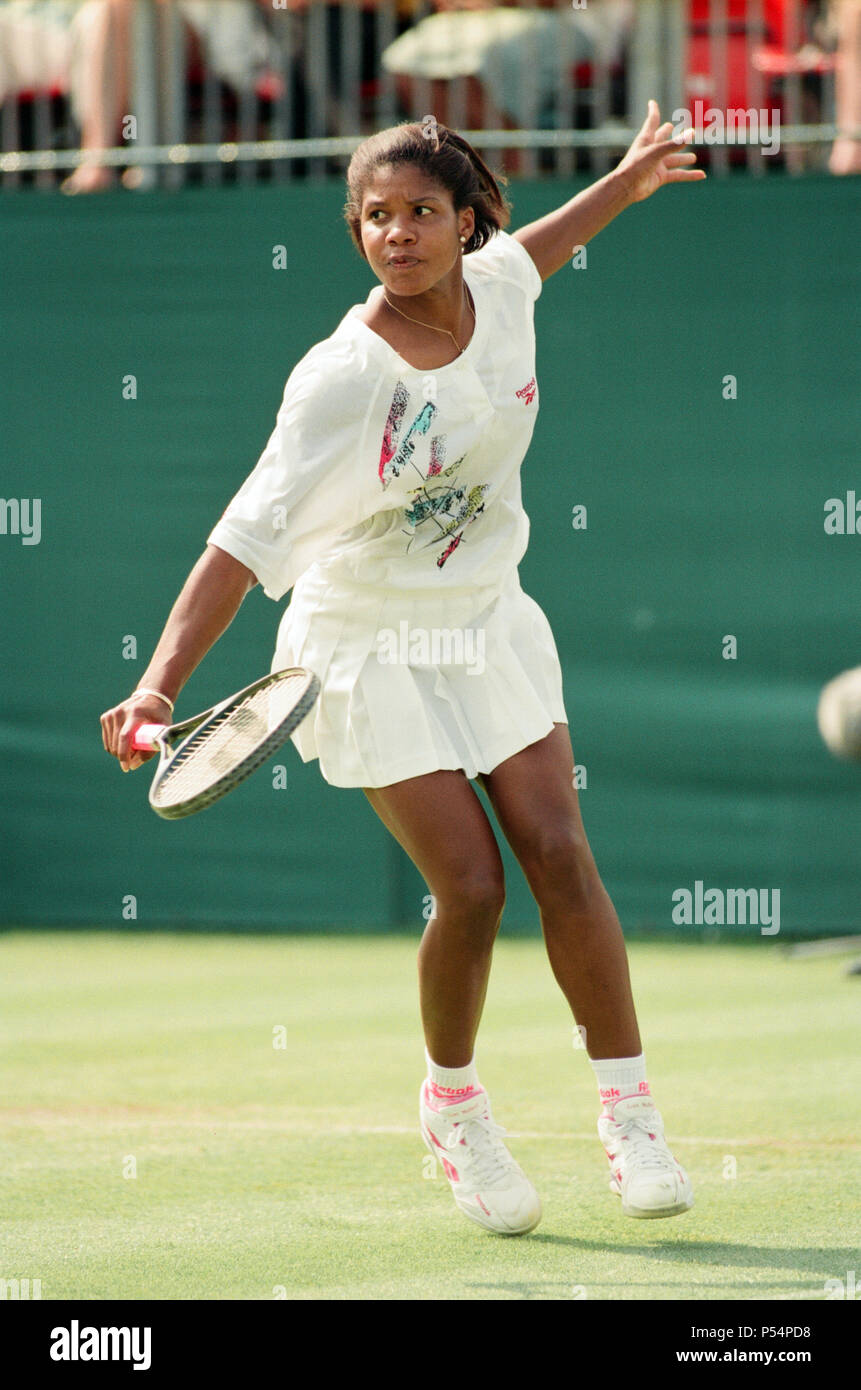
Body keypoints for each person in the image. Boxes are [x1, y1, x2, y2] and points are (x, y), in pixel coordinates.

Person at [101, 103, 705, 1235]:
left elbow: (546, 244)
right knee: (471, 886)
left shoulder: (506, 287)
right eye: (374, 217)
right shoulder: (338, 378)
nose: (397, 233)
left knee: (562, 854)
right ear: (356, 233)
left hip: (483, 618)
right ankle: (455, 1104)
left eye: (421, 212)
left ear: (465, 221)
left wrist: (625, 180)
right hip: (366, 639)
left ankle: (630, 1117)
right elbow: (241, 538)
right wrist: (160, 685)